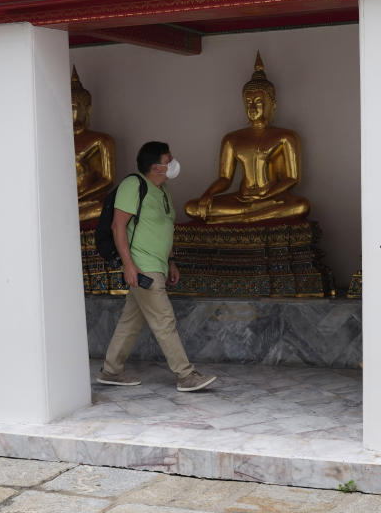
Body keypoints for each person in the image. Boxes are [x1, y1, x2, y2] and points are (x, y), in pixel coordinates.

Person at [97, 141, 217, 392]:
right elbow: (118, 227)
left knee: (130, 321)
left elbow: (163, 228)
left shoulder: (163, 190)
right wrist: (128, 265)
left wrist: (171, 261)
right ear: (155, 167)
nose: (173, 163)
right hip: (143, 266)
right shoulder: (133, 185)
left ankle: (111, 370)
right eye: (168, 160)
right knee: (164, 319)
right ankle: (185, 375)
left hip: (158, 264)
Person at [184, 52, 310, 223]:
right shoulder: (232, 138)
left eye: (258, 101)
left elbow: (292, 178)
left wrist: (266, 194)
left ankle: (239, 218)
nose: (252, 106)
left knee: (301, 205)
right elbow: (225, 178)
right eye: (248, 101)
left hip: (271, 198)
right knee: (192, 207)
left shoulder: (285, 136)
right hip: (241, 198)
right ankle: (250, 215)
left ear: (272, 104)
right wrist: (208, 194)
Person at [71, 67, 116, 222]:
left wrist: (79, 198)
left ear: (87, 109)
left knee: (104, 208)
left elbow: (107, 179)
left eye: (73, 107)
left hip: (88, 201)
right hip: (66, 202)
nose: (68, 112)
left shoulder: (102, 140)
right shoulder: (54, 143)